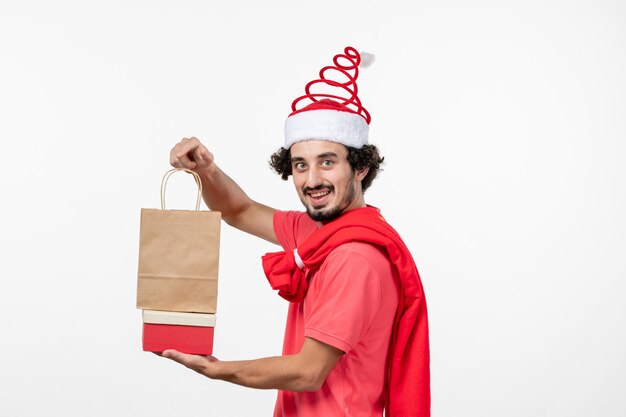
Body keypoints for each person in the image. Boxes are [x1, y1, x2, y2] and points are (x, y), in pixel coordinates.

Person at [161, 47, 430, 417]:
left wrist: (216, 369)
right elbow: (239, 210)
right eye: (301, 165)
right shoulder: (316, 231)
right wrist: (206, 170)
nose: (312, 180)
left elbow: (308, 372)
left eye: (328, 162)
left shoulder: (354, 257)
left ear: (361, 168)